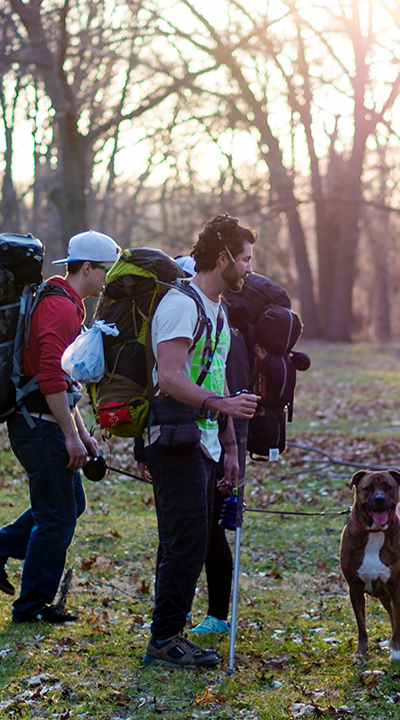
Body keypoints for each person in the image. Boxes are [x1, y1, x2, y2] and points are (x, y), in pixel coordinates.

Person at [0, 230, 120, 623]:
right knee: (56, 519)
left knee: (70, 506)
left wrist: (84, 436)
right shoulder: (61, 309)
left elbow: (66, 384)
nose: (109, 279)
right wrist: (70, 436)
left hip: (45, 422)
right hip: (40, 427)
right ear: (87, 268)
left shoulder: (63, 302)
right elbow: (51, 377)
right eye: (106, 271)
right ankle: (31, 606)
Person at [137, 215, 259, 667]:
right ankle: (166, 639)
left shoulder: (219, 311)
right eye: (244, 259)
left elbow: (215, 376)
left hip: (204, 440)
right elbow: (168, 377)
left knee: (192, 538)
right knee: (184, 540)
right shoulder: (180, 304)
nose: (248, 268)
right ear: (223, 257)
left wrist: (228, 446)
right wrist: (223, 407)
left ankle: (169, 633)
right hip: (172, 436)